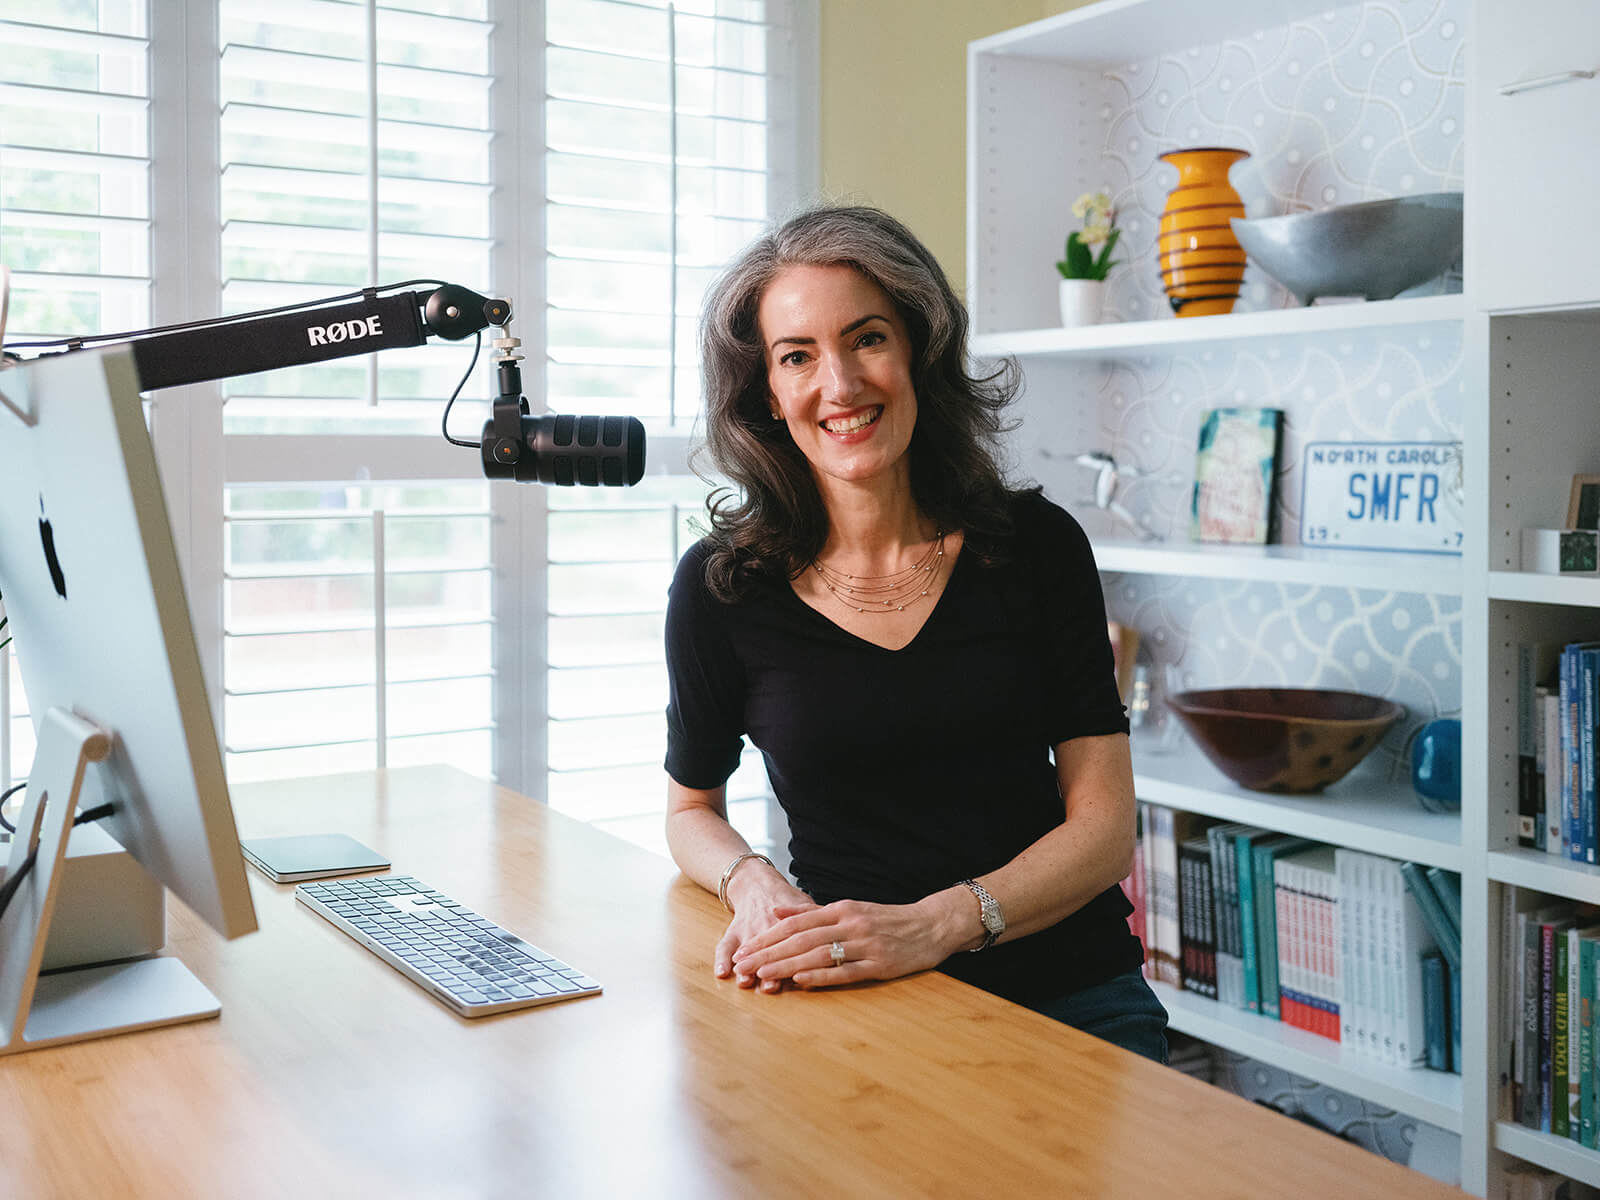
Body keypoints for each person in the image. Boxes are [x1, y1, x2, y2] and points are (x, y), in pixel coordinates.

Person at [662, 205, 1168, 1064]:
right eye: (798, 356)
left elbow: (1106, 827)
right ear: (768, 394)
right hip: (858, 995)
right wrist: (751, 881)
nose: (840, 384)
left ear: (919, 354)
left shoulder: (1036, 549)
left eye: (867, 339)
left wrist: (933, 927)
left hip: (1073, 994)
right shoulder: (722, 588)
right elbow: (690, 810)